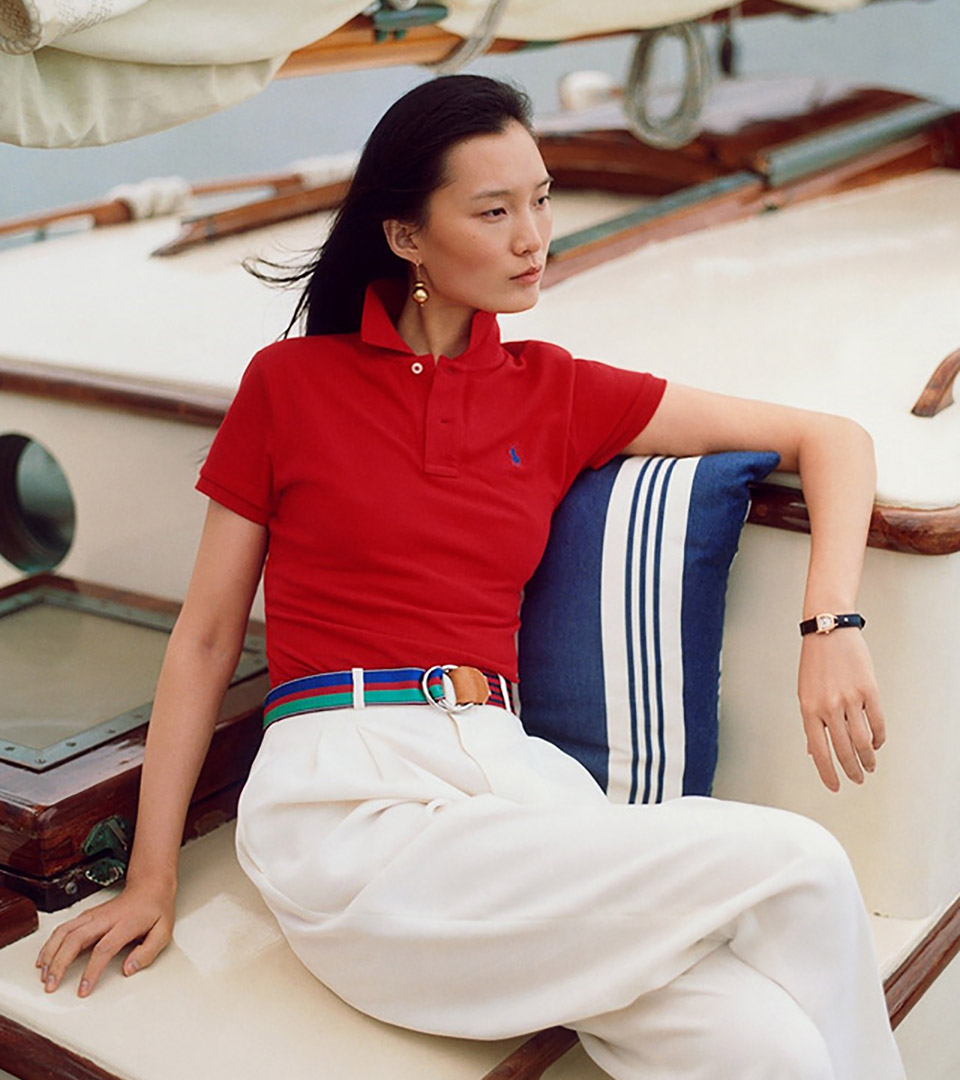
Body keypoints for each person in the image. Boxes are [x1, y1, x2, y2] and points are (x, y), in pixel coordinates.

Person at [36, 74, 905, 1080]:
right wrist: (151, 879)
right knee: (801, 861)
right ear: (406, 236)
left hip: (516, 786)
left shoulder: (554, 390)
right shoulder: (291, 387)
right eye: (494, 212)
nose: (533, 235)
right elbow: (204, 638)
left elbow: (829, 437)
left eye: (540, 198)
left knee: (778, 1053)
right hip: (347, 803)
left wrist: (831, 624)